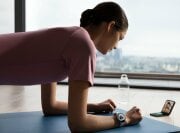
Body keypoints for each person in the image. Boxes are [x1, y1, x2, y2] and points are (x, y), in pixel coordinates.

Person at [0, 2, 142, 132]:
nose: (117, 46)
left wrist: (94, 107)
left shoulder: (70, 37)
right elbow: (78, 124)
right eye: (120, 38)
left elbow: (50, 106)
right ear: (110, 26)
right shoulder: (83, 45)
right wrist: (124, 119)